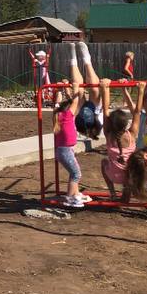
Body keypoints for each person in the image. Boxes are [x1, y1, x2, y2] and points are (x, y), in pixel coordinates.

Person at [52, 62, 91, 208]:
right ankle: (70, 197)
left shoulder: (58, 115)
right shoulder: (68, 115)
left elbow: (58, 103)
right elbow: (75, 101)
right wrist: (75, 89)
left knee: (75, 172)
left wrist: (61, 89)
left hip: (64, 150)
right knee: (76, 174)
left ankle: (75, 194)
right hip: (66, 150)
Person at [101, 81, 145, 203]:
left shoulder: (108, 135)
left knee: (104, 162)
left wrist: (105, 88)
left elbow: (105, 111)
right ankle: (127, 192)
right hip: (128, 177)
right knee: (131, 168)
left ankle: (112, 193)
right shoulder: (132, 134)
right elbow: (137, 112)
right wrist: (141, 90)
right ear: (126, 124)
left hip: (113, 175)